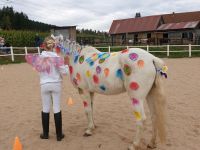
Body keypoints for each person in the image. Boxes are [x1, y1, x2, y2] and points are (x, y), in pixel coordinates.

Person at [25, 36, 69, 141]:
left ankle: (45, 134)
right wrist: (66, 64)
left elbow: (37, 69)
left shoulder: (39, 58)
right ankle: (59, 135)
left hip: (44, 84)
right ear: (53, 46)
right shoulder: (57, 58)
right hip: (56, 84)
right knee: (57, 108)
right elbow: (65, 72)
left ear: (44, 46)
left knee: (45, 108)